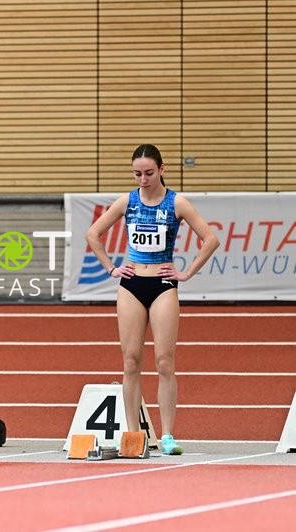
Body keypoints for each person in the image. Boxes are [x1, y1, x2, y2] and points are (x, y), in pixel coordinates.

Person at [85, 144, 219, 455]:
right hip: (131, 284)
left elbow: (210, 239)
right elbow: (93, 234)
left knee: (164, 361)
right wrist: (111, 267)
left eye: (148, 173)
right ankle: (134, 435)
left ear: (161, 169)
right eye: (137, 174)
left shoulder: (177, 203)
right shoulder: (126, 201)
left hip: (163, 284)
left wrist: (186, 272)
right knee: (131, 361)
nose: (143, 179)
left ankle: (168, 435)